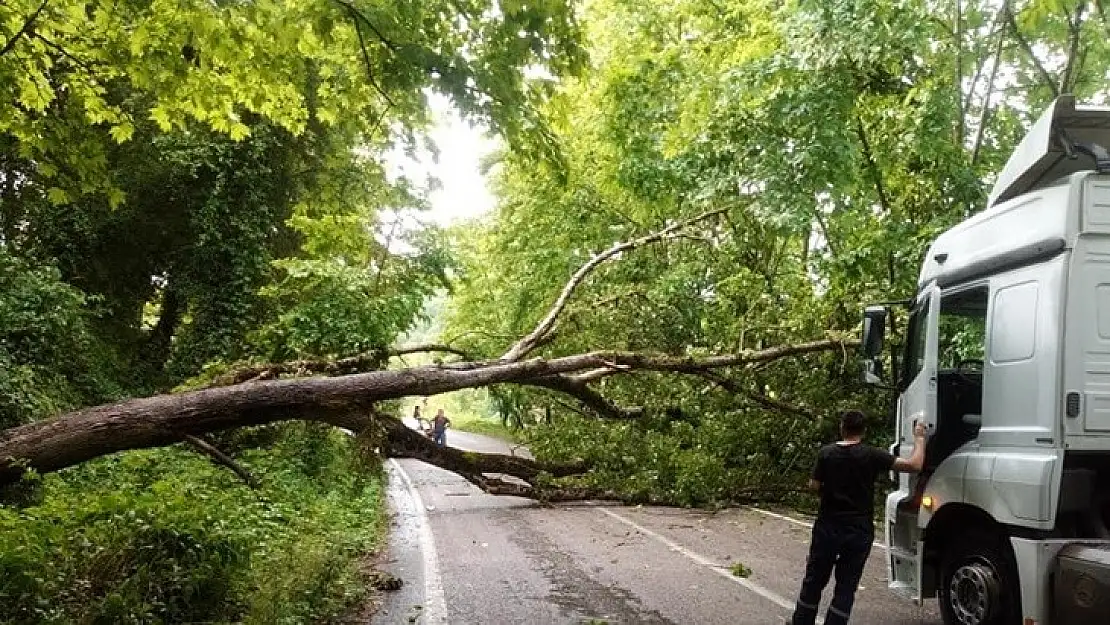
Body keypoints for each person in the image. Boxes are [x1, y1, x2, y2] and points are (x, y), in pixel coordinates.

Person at [789, 410, 927, 625]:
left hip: (828, 525)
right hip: (858, 529)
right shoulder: (872, 455)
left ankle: (801, 621)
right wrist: (919, 437)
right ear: (863, 431)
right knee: (847, 584)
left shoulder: (826, 454)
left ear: (842, 428)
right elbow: (914, 465)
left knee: (815, 578)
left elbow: (814, 486)